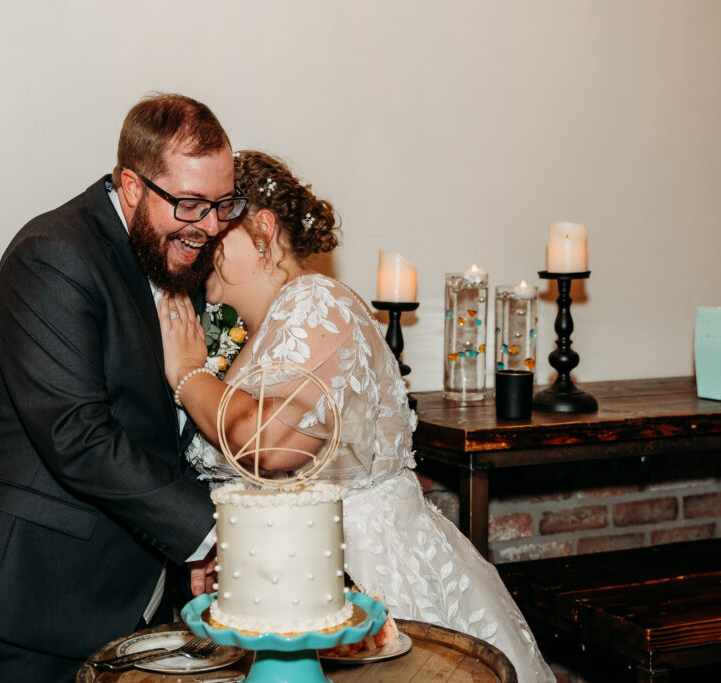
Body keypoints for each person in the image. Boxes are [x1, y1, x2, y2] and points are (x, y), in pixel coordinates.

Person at [159, 150, 555, 682]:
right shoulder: (262, 330)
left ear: (261, 230)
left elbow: (276, 445)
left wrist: (187, 374)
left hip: (359, 581)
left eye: (217, 225)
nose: (202, 239)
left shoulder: (315, 302)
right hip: (278, 587)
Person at [0, 94, 245, 682]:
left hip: (138, 593)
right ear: (131, 186)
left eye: (223, 202)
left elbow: (160, 426)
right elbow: (77, 434)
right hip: (38, 599)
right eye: (191, 203)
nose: (210, 225)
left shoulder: (178, 254)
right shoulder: (53, 256)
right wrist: (209, 533)